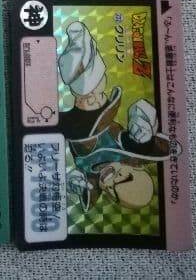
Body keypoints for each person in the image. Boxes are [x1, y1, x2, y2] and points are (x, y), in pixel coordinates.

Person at [58, 21, 173, 211]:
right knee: (92, 95)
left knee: (84, 98)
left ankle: (81, 54)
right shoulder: (126, 151)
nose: (111, 182)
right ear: (136, 167)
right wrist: (143, 128)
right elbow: (145, 135)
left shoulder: (92, 180)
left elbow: (81, 187)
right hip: (96, 120)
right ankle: (82, 50)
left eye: (112, 192)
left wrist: (72, 181)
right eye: (124, 179)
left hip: (69, 130)